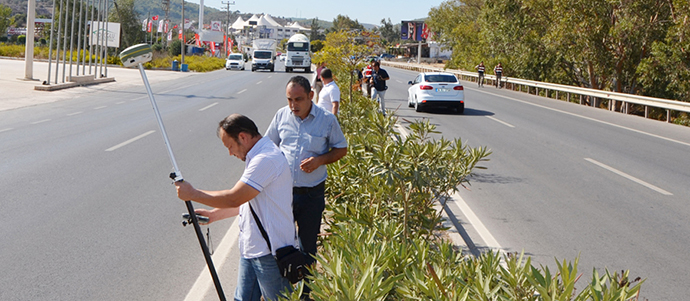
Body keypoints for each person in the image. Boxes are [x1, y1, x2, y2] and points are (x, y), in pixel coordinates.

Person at [175, 114, 297, 301]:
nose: (230, 153)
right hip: (253, 248)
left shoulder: (265, 159)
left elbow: (234, 198)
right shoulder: (256, 155)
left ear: (243, 137)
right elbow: (249, 203)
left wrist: (192, 193)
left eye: (229, 146)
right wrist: (214, 215)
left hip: (269, 253)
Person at [265, 75, 348, 279]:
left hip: (312, 194)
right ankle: (281, 288)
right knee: (278, 243)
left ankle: (306, 292)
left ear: (311, 95)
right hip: (283, 194)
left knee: (307, 246)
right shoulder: (281, 116)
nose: (293, 105)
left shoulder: (327, 120)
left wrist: (320, 160)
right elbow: (267, 147)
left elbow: (341, 149)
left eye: (299, 99)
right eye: (289, 99)